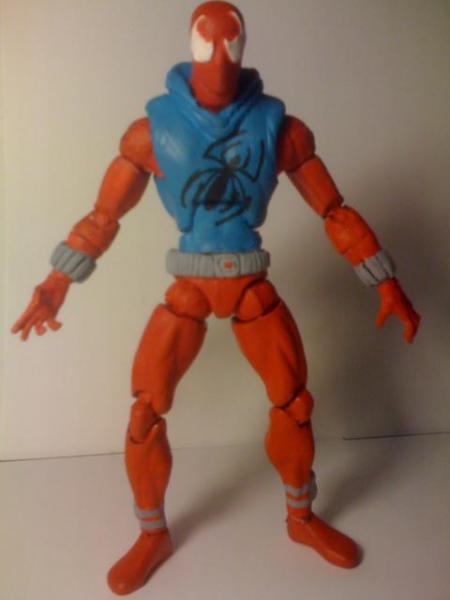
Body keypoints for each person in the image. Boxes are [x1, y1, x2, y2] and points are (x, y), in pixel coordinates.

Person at [12, 1, 420, 595]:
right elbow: (104, 216)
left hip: (252, 284)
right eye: (209, 43)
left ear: (244, 45)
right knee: (144, 412)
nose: (221, 55)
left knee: (294, 403)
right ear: (192, 44)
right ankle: (152, 533)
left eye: (233, 42)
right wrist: (56, 283)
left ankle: (301, 517)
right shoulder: (150, 132)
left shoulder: (280, 128)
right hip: (190, 287)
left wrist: (385, 281)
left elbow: (334, 211)